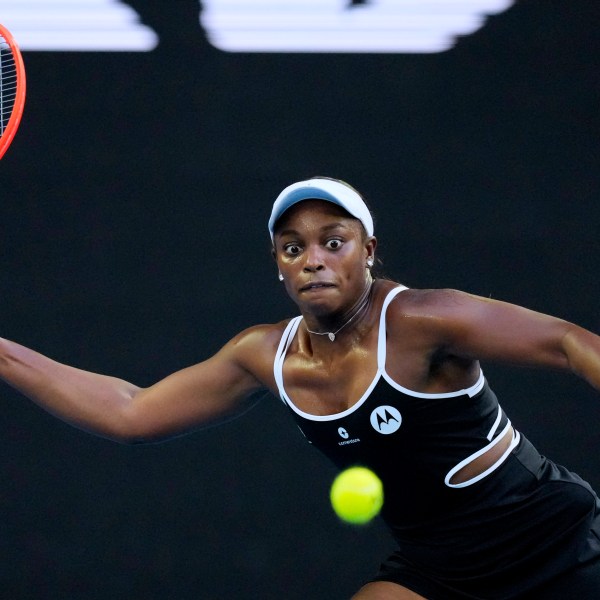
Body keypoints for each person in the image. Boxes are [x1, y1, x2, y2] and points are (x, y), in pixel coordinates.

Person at [2, 176, 600, 599]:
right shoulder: (264, 356)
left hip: (556, 541)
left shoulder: (424, 320)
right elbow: (130, 412)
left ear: (368, 252)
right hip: (441, 566)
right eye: (293, 248)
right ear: (279, 265)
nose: (313, 259)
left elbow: (570, 343)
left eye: (332, 241)